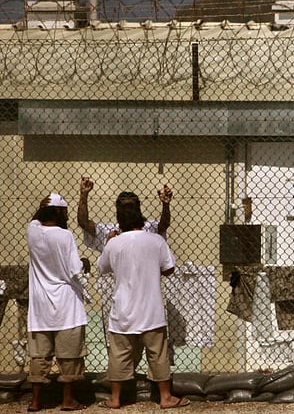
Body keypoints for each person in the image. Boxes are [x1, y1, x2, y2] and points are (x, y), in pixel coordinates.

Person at [96, 204, 189, 409]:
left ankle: (115, 398)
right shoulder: (156, 240)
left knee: (119, 355)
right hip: (151, 309)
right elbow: (169, 269)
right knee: (157, 354)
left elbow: (102, 268)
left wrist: (109, 243)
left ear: (120, 222)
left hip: (122, 310)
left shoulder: (114, 243)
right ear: (141, 219)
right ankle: (165, 397)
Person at [26, 193, 90, 412]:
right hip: (66, 304)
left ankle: (35, 401)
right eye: (64, 212)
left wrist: (40, 206)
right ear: (59, 212)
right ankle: (67, 400)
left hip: (40, 305)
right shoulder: (65, 236)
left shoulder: (33, 232)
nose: (67, 216)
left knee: (39, 355)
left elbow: (34, 220)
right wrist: (84, 263)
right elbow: (74, 269)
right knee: (69, 356)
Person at [76, 176, 173, 253]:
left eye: (131, 207)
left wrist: (166, 205)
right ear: (118, 210)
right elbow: (84, 223)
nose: (128, 212)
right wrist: (84, 195)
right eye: (124, 208)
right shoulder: (110, 232)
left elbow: (163, 225)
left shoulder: (147, 229)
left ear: (138, 208)